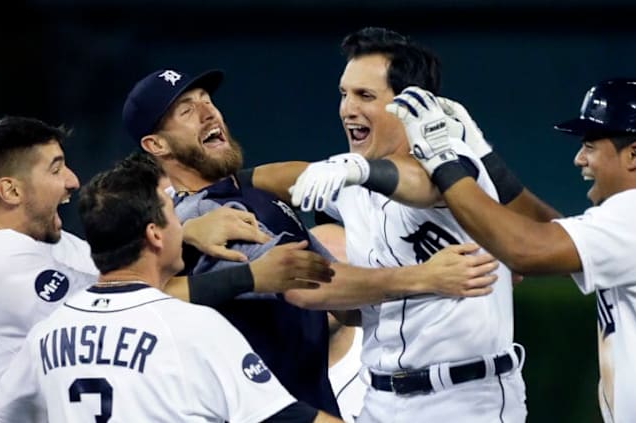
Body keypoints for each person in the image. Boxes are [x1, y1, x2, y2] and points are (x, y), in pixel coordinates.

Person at [121, 64, 500, 418]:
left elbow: (345, 309)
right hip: (268, 413)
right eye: (187, 111)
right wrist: (425, 278)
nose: (209, 113)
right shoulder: (210, 215)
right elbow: (310, 285)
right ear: (156, 145)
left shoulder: (249, 193)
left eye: (208, 101)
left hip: (308, 402)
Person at [379, 79, 636, 422]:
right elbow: (555, 239)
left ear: (635, 154)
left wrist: (441, 160)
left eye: (591, 145)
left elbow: (524, 250)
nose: (579, 159)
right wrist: (484, 157)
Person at [273, 27, 565, 422]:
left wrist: (358, 169)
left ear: (408, 104)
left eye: (365, 95)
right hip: (380, 398)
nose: (347, 107)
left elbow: (423, 185)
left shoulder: (454, 161)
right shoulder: (352, 183)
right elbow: (292, 177)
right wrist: (216, 185)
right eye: (344, 93)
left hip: (465, 400)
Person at [0, 116, 332, 414]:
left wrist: (185, 230)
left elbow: (120, 263)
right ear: (10, 191)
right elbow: (123, 292)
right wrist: (252, 276)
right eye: (56, 169)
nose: (72, 180)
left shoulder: (42, 243)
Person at [309, 223, 367, 423]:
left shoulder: (387, 362)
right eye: (310, 271)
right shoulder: (264, 367)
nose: (323, 287)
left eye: (337, 272)